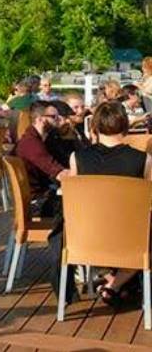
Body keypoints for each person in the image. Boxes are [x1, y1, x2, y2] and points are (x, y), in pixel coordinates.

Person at [66, 102, 152, 305]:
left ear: (94, 126)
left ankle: (111, 281)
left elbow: (75, 202)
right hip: (131, 238)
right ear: (125, 125)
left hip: (86, 236)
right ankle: (116, 285)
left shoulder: (77, 158)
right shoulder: (143, 160)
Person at [15, 101, 70, 211]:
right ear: (40, 119)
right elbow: (60, 174)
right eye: (54, 117)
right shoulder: (32, 145)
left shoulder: (34, 139)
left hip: (39, 196)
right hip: (37, 204)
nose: (59, 120)